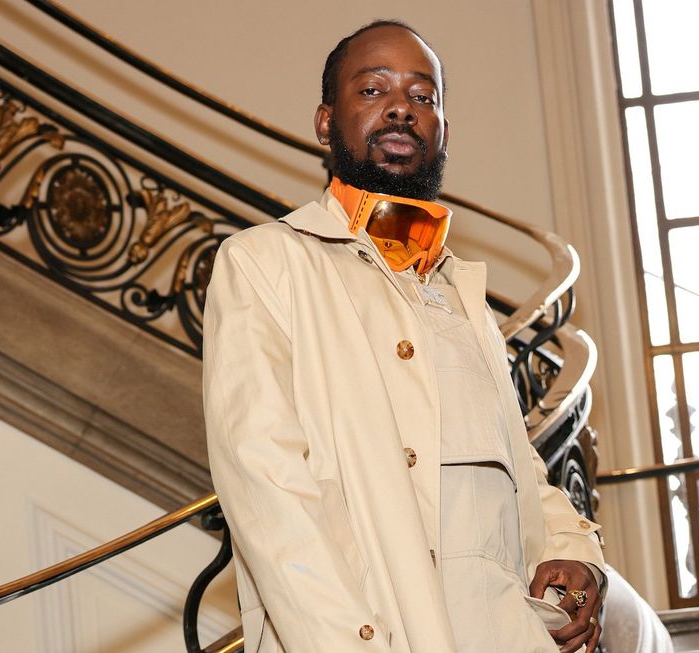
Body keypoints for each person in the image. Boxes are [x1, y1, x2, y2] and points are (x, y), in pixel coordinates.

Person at [203, 20, 606, 653]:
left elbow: (517, 466)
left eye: (424, 96)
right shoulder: (265, 263)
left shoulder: (459, 293)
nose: (402, 108)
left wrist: (577, 554)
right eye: (372, 90)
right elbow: (268, 491)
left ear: (444, 127)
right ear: (325, 122)